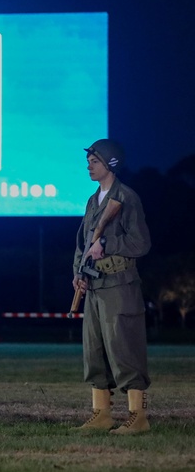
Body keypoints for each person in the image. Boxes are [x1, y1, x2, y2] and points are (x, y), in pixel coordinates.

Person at [72, 139, 152, 435]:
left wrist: (106, 243)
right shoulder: (94, 201)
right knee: (95, 352)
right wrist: (78, 272)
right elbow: (83, 242)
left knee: (124, 349)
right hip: (93, 285)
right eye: (90, 161)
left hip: (119, 285)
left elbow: (141, 243)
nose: (89, 166)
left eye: (95, 161)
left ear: (111, 164)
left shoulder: (126, 197)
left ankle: (138, 416)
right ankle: (101, 413)